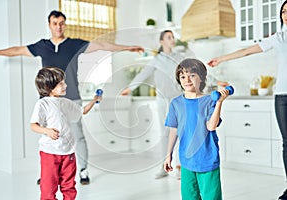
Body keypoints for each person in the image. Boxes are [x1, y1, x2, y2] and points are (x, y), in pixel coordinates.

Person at [0, 10, 144, 185]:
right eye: (55, 23)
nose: (58, 26)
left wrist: (128, 47)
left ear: (65, 24)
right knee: (48, 136)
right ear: (49, 25)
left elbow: (102, 46)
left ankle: (83, 171)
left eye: (61, 23)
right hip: (48, 100)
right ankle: (48, 172)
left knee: (78, 135)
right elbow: (18, 50)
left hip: (71, 97)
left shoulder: (74, 44)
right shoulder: (42, 45)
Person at [207, 1, 287, 199]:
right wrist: (221, 59)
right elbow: (246, 51)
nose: (286, 14)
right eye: (284, 11)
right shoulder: (278, 38)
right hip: (282, 97)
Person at [121, 30, 194, 179]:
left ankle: (181, 168)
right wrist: (131, 87)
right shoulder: (156, 60)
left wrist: (212, 81)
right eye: (169, 37)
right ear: (162, 42)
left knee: (180, 133)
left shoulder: (179, 58)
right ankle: (164, 166)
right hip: (161, 99)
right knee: (165, 133)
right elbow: (143, 74)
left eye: (173, 37)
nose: (172, 39)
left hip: (178, 99)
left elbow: (193, 72)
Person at [31, 67, 102, 200]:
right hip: (50, 152)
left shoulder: (65, 103)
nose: (66, 85)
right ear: (49, 87)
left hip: (68, 152)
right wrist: (46, 131)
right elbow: (33, 125)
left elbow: (82, 111)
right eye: (61, 83)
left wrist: (94, 100)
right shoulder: (42, 104)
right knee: (48, 187)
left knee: (69, 186)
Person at [163, 58, 229, 200]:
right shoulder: (176, 103)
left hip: (207, 159)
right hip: (186, 161)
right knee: (189, 197)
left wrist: (218, 104)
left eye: (192, 75)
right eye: (182, 76)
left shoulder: (209, 101)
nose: (187, 79)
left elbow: (211, 126)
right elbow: (173, 130)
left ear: (202, 78)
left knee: (211, 197)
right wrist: (168, 154)